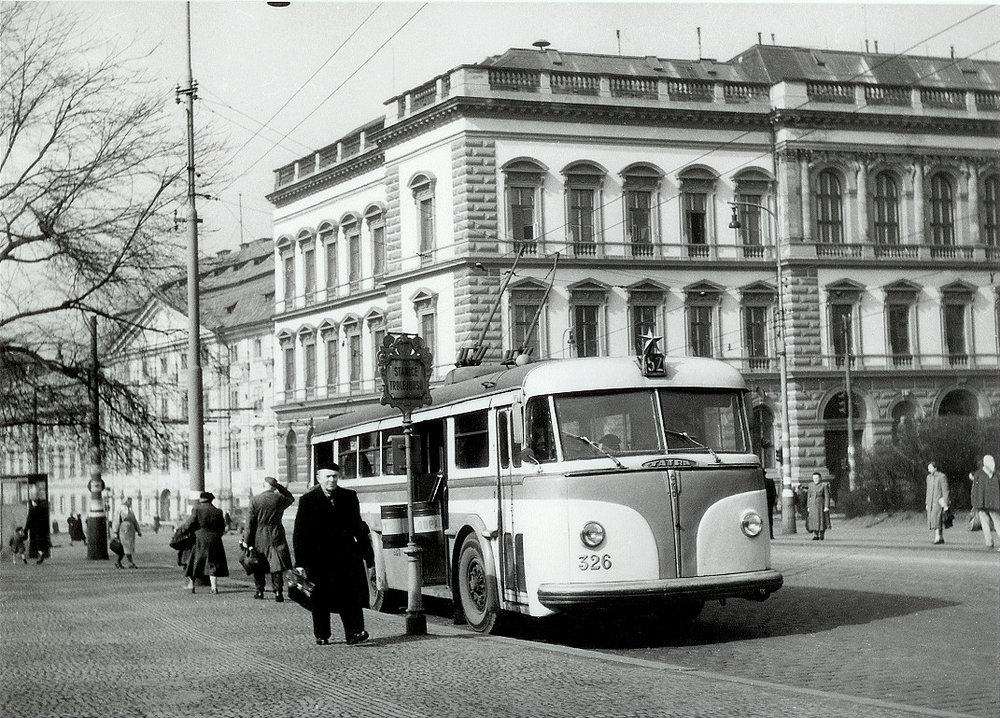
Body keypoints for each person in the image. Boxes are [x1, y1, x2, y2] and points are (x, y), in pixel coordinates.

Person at [293, 464, 374, 645]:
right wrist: (300, 563)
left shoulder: (349, 497)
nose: (332, 480)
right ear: (319, 478)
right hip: (318, 558)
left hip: (346, 557)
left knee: (350, 596)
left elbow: (358, 527)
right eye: (328, 476)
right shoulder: (308, 500)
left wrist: (368, 556)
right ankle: (322, 634)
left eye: (335, 477)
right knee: (320, 597)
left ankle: (354, 633)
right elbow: (300, 533)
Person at [243, 476, 295, 602]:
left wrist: (246, 539)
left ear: (264, 485)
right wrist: (280, 487)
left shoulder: (255, 500)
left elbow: (250, 523)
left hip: (259, 534)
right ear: (274, 487)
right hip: (276, 532)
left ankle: (259, 591)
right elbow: (291, 498)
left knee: (258, 562)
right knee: (276, 563)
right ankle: (278, 592)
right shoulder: (280, 498)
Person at [178, 491, 229, 594]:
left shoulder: (197, 509)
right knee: (213, 562)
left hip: (199, 539)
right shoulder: (218, 511)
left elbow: (189, 524)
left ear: (201, 499)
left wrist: (181, 531)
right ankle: (214, 587)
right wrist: (216, 535)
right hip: (215, 540)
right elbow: (222, 527)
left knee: (194, 561)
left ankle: (191, 585)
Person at [969, 455, 1000, 552]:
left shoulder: (979, 474)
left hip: (981, 502)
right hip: (994, 503)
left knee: (985, 523)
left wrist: (973, 502)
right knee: (997, 523)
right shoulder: (997, 474)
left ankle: (989, 542)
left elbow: (974, 489)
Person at [112, 497, 142, 568]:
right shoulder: (120, 509)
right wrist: (115, 532)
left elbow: (134, 521)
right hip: (123, 530)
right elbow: (116, 521)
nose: (130, 502)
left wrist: (138, 530)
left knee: (126, 547)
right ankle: (130, 562)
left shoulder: (131, 511)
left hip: (130, 531)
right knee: (126, 546)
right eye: (129, 501)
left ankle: (118, 562)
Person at [925, 462, 950, 545]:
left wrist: (946, 502)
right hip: (931, 502)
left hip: (939, 501)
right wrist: (927, 503)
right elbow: (928, 491)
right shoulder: (928, 477)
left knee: (937, 519)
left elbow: (945, 489)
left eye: (931, 468)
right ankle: (940, 537)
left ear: (935, 468)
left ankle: (938, 537)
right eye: (929, 468)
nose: (929, 470)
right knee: (935, 519)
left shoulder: (941, 476)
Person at [24, 490, 51, 564]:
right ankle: (41, 554)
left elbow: (29, 520)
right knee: (41, 543)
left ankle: (41, 554)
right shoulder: (43, 509)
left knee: (35, 544)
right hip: (43, 530)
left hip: (34, 530)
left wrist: (26, 529)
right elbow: (46, 520)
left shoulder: (32, 510)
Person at [805, 470, 831, 540]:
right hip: (812, 505)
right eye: (814, 478)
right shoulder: (810, 485)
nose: (815, 480)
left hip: (821, 504)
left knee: (821, 519)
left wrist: (826, 506)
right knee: (813, 520)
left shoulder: (824, 485)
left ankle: (822, 534)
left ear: (820, 478)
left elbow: (827, 496)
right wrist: (808, 506)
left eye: (817, 478)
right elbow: (809, 496)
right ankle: (815, 534)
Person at [762, 472, 777, 539]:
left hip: (761, 504)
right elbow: (774, 493)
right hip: (769, 504)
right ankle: (771, 534)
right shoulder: (770, 481)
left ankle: (763, 535)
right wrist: (772, 503)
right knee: (770, 520)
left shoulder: (758, 483)